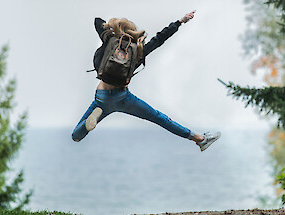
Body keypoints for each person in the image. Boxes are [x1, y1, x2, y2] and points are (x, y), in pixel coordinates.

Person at [71, 11, 221, 151]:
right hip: (123, 98)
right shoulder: (138, 51)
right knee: (159, 118)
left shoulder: (109, 41)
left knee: (76, 136)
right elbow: (160, 39)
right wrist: (180, 21)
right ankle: (199, 139)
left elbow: (97, 21)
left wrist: (113, 27)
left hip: (102, 97)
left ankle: (90, 122)